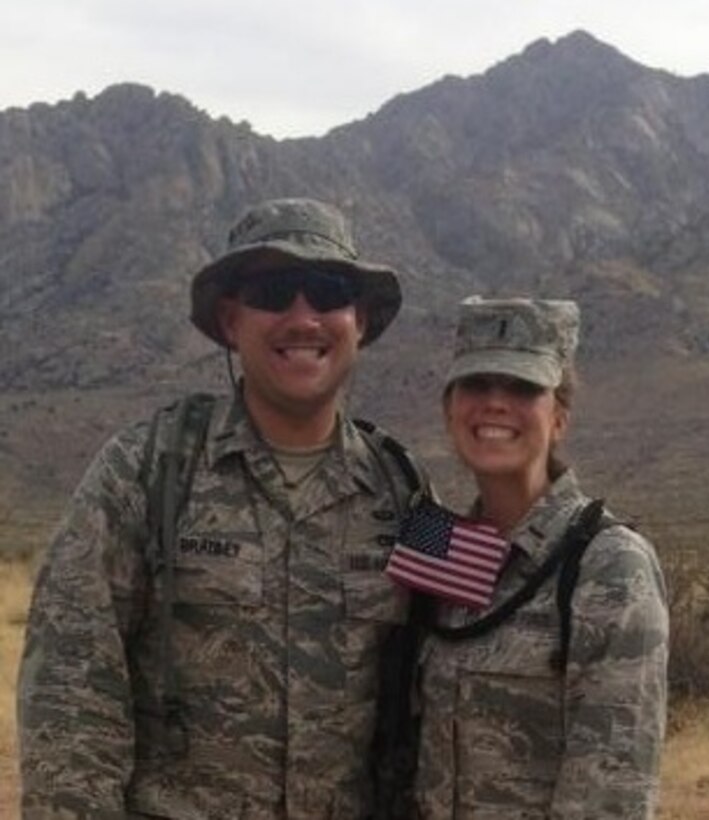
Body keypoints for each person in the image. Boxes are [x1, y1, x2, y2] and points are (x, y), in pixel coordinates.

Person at [18, 197, 424, 819]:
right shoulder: (143, 471)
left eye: (327, 289)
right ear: (231, 320)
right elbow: (69, 696)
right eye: (273, 291)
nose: (302, 316)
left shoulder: (409, 490)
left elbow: (460, 669)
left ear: (360, 319)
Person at [410, 297, 668, 819]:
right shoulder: (436, 548)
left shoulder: (608, 567)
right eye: (476, 384)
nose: (495, 403)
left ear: (559, 419)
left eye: (524, 387)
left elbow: (609, 800)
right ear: (448, 408)